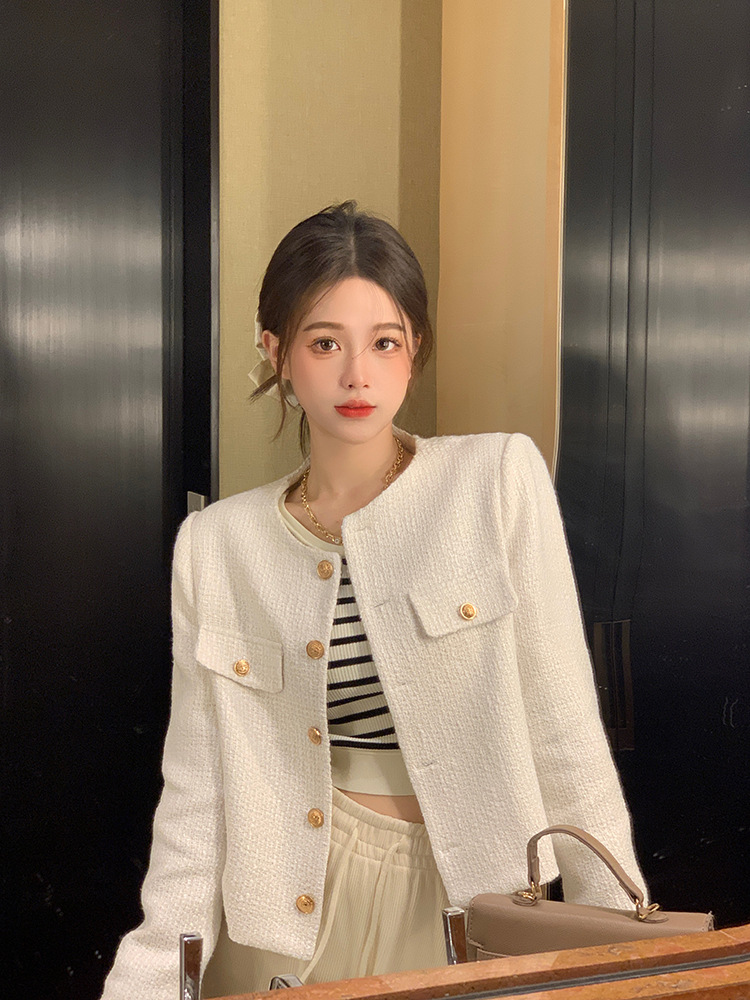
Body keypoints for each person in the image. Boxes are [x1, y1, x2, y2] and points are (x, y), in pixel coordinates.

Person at [101, 201, 646, 1000]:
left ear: (413, 349)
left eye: (384, 342)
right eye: (325, 343)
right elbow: (196, 791)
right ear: (277, 354)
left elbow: (565, 733)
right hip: (279, 918)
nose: (358, 375)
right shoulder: (218, 545)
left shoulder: (494, 481)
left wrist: (622, 961)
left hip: (466, 907)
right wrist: (152, 978)